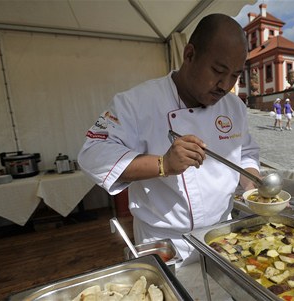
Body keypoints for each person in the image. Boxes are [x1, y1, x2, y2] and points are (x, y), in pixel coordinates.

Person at [78, 14, 260, 266]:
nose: (224, 84)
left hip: (223, 235)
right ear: (189, 55)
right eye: (218, 71)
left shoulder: (234, 107)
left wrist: (252, 183)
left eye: (235, 75)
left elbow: (246, 152)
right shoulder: (136, 102)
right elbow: (92, 154)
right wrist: (163, 164)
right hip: (166, 241)